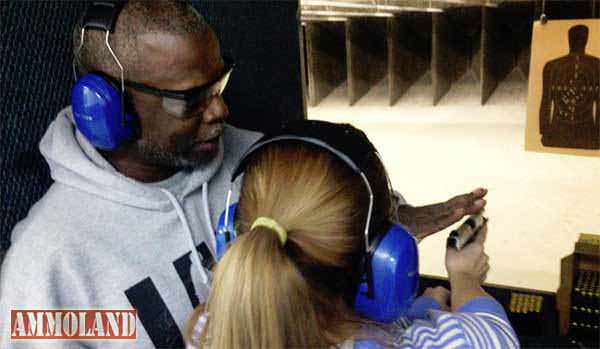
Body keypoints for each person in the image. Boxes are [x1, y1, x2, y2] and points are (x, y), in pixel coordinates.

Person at [0, 1, 486, 348]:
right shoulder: (45, 266)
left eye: (219, 84)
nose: (220, 109)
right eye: (191, 98)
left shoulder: (258, 157)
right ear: (103, 109)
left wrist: (394, 227)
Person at [185, 121, 517, 349]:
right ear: (380, 264)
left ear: (232, 236)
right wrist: (464, 276)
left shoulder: (207, 330)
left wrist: (422, 307)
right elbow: (494, 332)